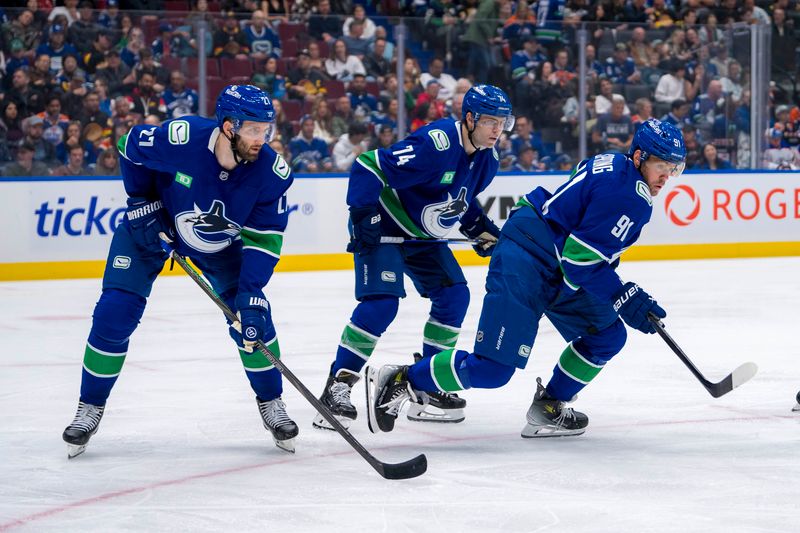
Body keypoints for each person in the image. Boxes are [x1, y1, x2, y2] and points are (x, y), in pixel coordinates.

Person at [365, 118, 686, 437]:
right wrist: (622, 295)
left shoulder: (615, 162)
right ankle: (404, 379)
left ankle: (549, 405)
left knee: (607, 334)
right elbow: (580, 260)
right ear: (640, 156)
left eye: (673, 169)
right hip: (529, 260)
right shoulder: (631, 196)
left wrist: (618, 293)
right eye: (661, 165)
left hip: (553, 261)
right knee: (492, 370)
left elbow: (579, 241)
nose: (666, 177)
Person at [61, 85, 299, 458]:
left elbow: (264, 241)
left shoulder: (272, 173)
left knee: (253, 320)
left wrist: (252, 291)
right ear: (228, 126)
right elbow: (129, 145)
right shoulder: (183, 137)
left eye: (266, 129)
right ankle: (89, 406)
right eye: (253, 129)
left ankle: (272, 402)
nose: (262, 139)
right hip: (154, 228)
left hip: (222, 248)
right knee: (113, 314)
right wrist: (140, 201)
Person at [312, 85, 514, 431]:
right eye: (490, 121)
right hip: (384, 226)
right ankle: (337, 387)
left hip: (422, 238)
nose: (497, 130)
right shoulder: (436, 144)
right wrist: (363, 217)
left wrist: (480, 229)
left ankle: (427, 384)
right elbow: (368, 166)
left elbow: (458, 202)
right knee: (382, 305)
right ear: (469, 118)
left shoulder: (487, 160)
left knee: (454, 295)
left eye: (502, 122)